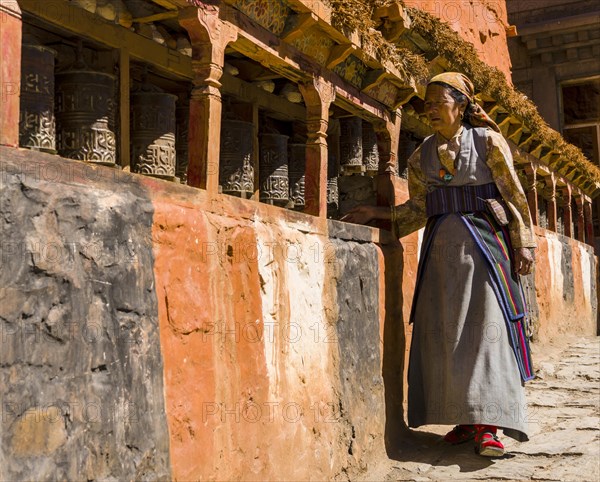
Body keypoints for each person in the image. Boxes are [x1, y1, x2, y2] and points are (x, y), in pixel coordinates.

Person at [342, 72, 536, 457]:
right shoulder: (422, 155)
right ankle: (464, 421)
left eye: (437, 102)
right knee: (446, 336)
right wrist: (377, 212)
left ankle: (489, 425)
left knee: (485, 332)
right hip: (439, 256)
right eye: (426, 103)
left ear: (461, 105)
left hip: (484, 252)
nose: (429, 109)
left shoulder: (488, 142)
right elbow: (417, 210)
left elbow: (514, 194)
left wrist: (524, 244)